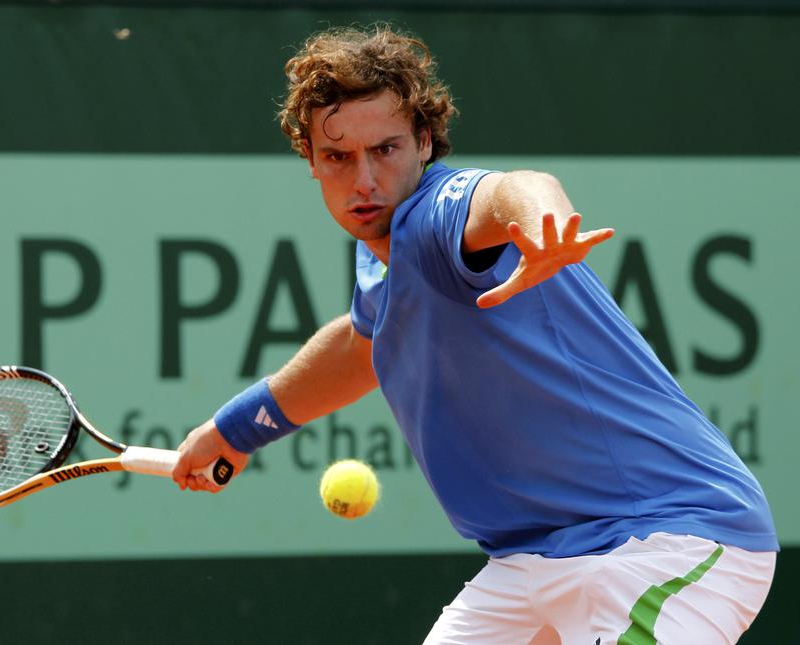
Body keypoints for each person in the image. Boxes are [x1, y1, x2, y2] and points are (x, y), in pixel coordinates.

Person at [171, 24, 777, 644]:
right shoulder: (380, 259)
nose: (365, 180)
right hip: (529, 562)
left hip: (666, 539)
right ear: (311, 159)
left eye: (385, 149)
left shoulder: (437, 216)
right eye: (338, 157)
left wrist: (542, 222)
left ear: (423, 142)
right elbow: (360, 347)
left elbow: (512, 190)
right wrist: (235, 430)